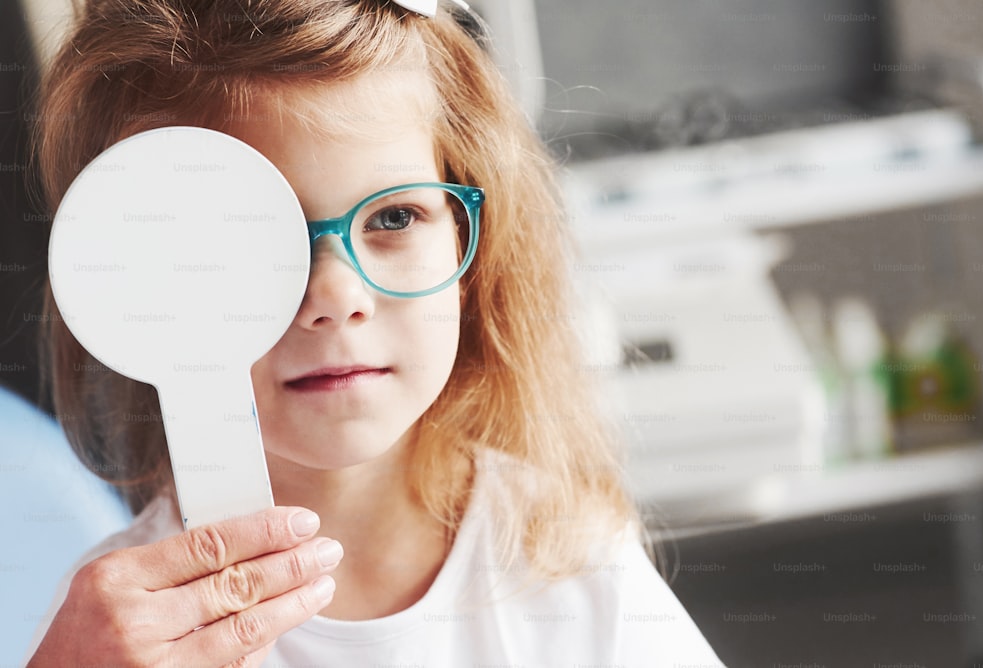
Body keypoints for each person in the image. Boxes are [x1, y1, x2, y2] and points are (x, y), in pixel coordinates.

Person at [25, 0, 725, 665]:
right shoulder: (120, 630)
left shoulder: (565, 556)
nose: (334, 296)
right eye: (247, 240)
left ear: (467, 249)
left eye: (393, 219)